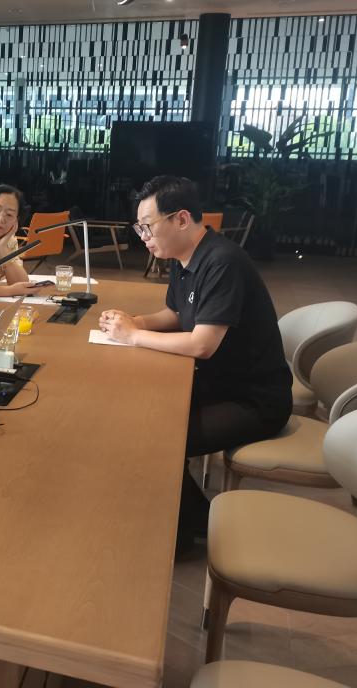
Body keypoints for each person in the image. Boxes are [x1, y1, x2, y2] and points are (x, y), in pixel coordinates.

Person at [97, 176, 292, 557]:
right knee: (138, 414)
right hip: (218, 382)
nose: (143, 237)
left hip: (254, 400)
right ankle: (186, 516)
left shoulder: (222, 262)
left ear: (182, 219)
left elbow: (202, 344)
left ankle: (194, 530)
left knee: (155, 438)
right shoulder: (184, 257)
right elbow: (175, 314)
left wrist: (134, 336)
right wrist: (135, 321)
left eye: (147, 226)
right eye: (139, 228)